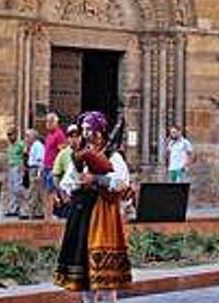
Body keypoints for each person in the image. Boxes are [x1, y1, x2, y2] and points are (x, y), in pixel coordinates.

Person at [55, 111, 132, 303]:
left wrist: (97, 179)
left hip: (102, 215)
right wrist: (73, 185)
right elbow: (68, 181)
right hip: (82, 215)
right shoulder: (79, 156)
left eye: (89, 129)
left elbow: (121, 183)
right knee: (84, 279)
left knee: (106, 280)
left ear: (99, 132)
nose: (86, 133)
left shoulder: (112, 156)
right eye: (84, 129)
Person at [52, 124, 80, 219]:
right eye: (71, 137)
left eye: (76, 136)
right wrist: (62, 194)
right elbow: (56, 176)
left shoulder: (85, 152)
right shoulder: (63, 154)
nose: (74, 139)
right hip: (67, 194)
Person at [0, 126, 25, 217]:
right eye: (8, 135)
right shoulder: (10, 146)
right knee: (11, 188)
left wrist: (23, 166)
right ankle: (13, 207)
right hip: (11, 167)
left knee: (17, 188)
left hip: (18, 167)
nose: (9, 137)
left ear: (15, 134)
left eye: (11, 134)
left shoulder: (20, 144)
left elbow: (25, 154)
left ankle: (18, 207)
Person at [22, 129, 45, 220]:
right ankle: (38, 211)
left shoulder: (37, 145)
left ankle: (30, 212)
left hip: (35, 169)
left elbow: (40, 160)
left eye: (28, 136)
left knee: (33, 191)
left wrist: (39, 173)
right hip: (32, 169)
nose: (26, 139)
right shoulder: (32, 146)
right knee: (36, 191)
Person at [44, 112, 66, 196]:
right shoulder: (49, 135)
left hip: (53, 167)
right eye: (46, 121)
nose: (47, 124)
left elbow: (62, 152)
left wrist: (57, 167)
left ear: (55, 122)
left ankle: (51, 208)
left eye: (49, 121)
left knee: (52, 191)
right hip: (47, 166)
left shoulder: (59, 134)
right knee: (48, 191)